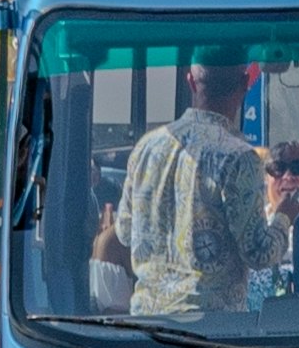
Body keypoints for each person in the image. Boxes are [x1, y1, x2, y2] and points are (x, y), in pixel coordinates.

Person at [95, 61, 278, 317]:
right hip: (213, 330)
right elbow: (259, 253)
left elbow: (126, 233)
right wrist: (285, 215)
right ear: (246, 84)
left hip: (149, 326)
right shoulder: (240, 157)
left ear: (190, 81)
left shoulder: (147, 147)